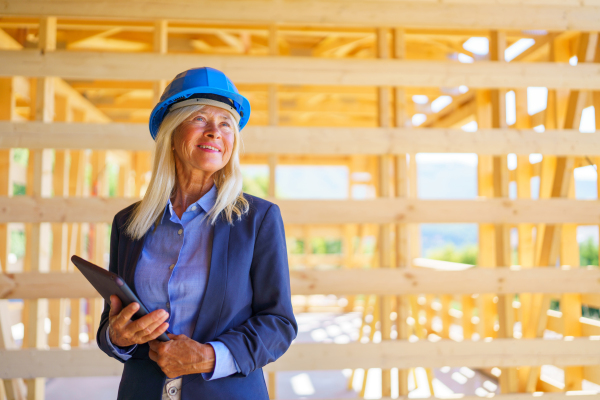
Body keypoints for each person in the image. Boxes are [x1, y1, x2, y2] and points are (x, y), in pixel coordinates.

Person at [96, 67, 297, 400]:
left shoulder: (258, 219)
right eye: (201, 119)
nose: (215, 132)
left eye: (226, 124)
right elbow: (112, 326)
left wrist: (211, 357)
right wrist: (118, 337)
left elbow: (278, 323)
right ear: (172, 133)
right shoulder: (128, 223)